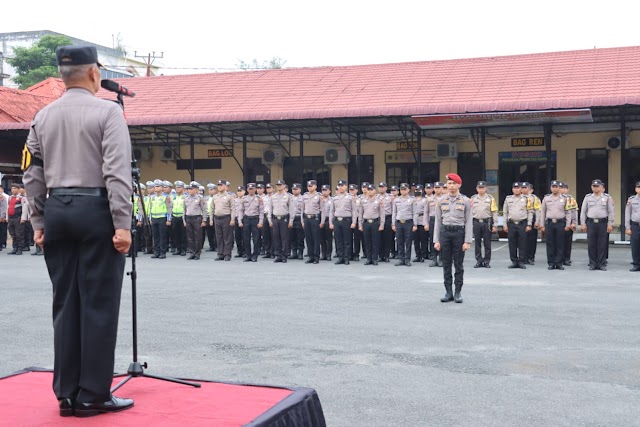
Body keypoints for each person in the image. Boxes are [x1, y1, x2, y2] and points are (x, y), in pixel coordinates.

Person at [23, 45, 134, 417]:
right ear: (93, 74)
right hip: (95, 210)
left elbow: (32, 175)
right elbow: (117, 173)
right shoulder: (108, 112)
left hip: (58, 210)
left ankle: (66, 393)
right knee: (98, 304)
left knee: (65, 303)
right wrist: (122, 223)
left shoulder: (42, 116)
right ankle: (93, 394)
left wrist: (39, 222)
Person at [433, 174, 472, 303]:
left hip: (458, 234)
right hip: (445, 233)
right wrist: (436, 240)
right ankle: (448, 292)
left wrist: (467, 241)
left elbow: (468, 221)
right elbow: (438, 221)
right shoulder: (441, 200)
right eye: (449, 183)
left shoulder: (465, 201)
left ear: (459, 185)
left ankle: (458, 292)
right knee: (446, 264)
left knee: (458, 264)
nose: (451, 186)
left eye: (454, 183)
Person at [580, 179, 614, 270]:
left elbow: (610, 211)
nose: (595, 188)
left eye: (597, 186)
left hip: (602, 222)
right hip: (591, 222)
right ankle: (593, 263)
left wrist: (610, 223)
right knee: (591, 243)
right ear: (591, 187)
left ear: (601, 187)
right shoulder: (588, 197)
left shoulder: (607, 197)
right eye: (593, 186)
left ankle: (601, 263)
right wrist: (582, 223)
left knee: (602, 244)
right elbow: (583, 211)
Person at [538, 181, 571, 270]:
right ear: (550, 188)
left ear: (559, 188)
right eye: (553, 186)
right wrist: (542, 224)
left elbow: (568, 212)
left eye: (556, 187)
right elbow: (543, 212)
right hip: (549, 223)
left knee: (560, 243)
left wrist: (568, 224)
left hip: (560, 223)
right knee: (550, 243)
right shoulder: (546, 198)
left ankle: (559, 262)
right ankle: (551, 263)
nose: (555, 188)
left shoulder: (564, 199)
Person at [503, 182, 533, 269]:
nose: (516, 189)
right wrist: (504, 225)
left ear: (521, 189)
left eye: (518, 188)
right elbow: (505, 212)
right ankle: (514, 261)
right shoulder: (508, 199)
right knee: (512, 243)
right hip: (511, 223)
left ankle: (521, 261)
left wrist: (529, 224)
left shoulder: (526, 199)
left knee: (522, 243)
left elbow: (530, 212)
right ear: (512, 189)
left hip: (522, 223)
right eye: (514, 188)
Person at [470, 181, 498, 268]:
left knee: (487, 243)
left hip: (487, 222)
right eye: (479, 188)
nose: (481, 189)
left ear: (486, 188)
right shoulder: (473, 198)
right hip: (476, 222)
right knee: (477, 243)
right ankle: (478, 260)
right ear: (477, 189)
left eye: (483, 188)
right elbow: (469, 212)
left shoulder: (490, 199)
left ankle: (486, 261)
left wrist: (495, 225)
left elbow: (494, 212)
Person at [330, 180, 357, 265]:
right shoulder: (335, 198)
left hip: (346, 220)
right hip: (337, 220)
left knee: (347, 240)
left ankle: (346, 258)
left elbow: (354, 211)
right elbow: (331, 211)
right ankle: (340, 257)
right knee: (338, 240)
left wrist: (354, 222)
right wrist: (331, 222)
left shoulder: (350, 197)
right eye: (339, 186)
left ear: (346, 187)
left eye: (342, 185)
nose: (340, 187)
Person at [269, 179, 294, 263]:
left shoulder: (288, 196)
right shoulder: (273, 197)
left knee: (284, 238)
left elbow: (291, 210)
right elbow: (270, 209)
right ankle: (278, 255)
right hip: (275, 219)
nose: (279, 186)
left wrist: (291, 221)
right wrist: (270, 220)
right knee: (276, 237)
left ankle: (284, 255)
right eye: (277, 185)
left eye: (280, 185)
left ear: (284, 186)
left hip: (284, 219)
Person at [210, 179, 235, 261]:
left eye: (221, 185)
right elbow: (212, 209)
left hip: (226, 218)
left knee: (227, 237)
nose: (219, 187)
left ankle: (227, 254)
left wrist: (232, 219)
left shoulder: (229, 196)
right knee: (219, 237)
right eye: (218, 185)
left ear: (225, 186)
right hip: (217, 218)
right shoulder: (215, 196)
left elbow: (232, 209)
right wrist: (211, 219)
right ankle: (220, 254)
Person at [359, 183, 384, 265]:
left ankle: (375, 258)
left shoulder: (379, 201)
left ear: (375, 190)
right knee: (367, 241)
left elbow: (382, 214)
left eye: (371, 190)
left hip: (375, 223)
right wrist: (360, 224)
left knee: (375, 241)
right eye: (368, 190)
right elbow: (360, 213)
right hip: (366, 223)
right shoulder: (363, 201)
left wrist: (382, 224)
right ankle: (368, 258)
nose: (370, 191)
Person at [238, 183, 264, 262]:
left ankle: (255, 256)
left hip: (255, 219)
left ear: (255, 189)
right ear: (247, 190)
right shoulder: (244, 199)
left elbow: (261, 211)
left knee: (256, 239)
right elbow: (241, 211)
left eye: (252, 189)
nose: (251, 190)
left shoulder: (259, 199)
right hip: (246, 219)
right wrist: (240, 221)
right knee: (246, 239)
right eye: (249, 189)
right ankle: (248, 255)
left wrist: (260, 222)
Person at [300, 180, 324, 264]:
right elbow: (302, 209)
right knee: (308, 238)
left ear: (315, 186)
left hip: (315, 218)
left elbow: (323, 210)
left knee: (316, 238)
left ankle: (316, 256)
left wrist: (322, 222)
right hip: (307, 218)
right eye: (308, 186)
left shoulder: (319, 196)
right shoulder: (305, 196)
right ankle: (310, 256)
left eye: (311, 186)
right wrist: (302, 221)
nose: (310, 187)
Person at [392, 183, 415, 266]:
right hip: (399, 222)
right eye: (401, 189)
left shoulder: (412, 200)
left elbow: (414, 212)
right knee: (399, 241)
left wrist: (414, 224)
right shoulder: (396, 200)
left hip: (408, 222)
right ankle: (401, 259)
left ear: (408, 190)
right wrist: (393, 224)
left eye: (405, 189)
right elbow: (394, 212)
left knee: (408, 242)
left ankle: (407, 259)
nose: (403, 191)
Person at [149, 179, 172, 259]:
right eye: (155, 186)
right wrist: (150, 219)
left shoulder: (166, 197)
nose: (156, 188)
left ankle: (162, 252)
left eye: (158, 186)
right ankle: (156, 252)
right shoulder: (152, 197)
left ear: (162, 187)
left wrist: (169, 219)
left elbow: (169, 208)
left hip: (162, 218)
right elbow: (150, 208)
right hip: (154, 218)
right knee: (155, 236)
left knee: (162, 236)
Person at [184, 181, 207, 260]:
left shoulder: (200, 198)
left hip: (197, 218)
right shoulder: (186, 198)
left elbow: (204, 210)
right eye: (189, 189)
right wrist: (184, 220)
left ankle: (197, 253)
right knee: (190, 237)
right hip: (188, 218)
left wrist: (204, 220)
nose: (189, 190)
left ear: (196, 189)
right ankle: (192, 252)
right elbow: (184, 210)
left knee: (197, 236)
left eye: (191, 189)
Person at [522, 183, 541, 265]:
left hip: (532, 220)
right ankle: (522, 257)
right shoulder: (517, 197)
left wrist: (537, 221)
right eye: (522, 187)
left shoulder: (534, 198)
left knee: (531, 240)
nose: (524, 189)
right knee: (522, 239)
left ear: (531, 190)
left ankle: (530, 257)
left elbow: (538, 210)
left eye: (526, 187)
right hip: (522, 219)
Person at [560, 183, 578, 266]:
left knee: (567, 242)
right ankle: (558, 258)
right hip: (559, 222)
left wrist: (574, 222)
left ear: (567, 190)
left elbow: (574, 211)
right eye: (560, 188)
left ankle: (566, 258)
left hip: (569, 223)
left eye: (563, 188)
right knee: (558, 241)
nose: (562, 190)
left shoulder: (571, 199)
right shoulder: (553, 198)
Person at [376, 182, 393, 262]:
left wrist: (393, 222)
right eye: (380, 187)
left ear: (386, 188)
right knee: (379, 238)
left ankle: (386, 256)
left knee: (387, 238)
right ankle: (380, 255)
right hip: (378, 219)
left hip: (387, 218)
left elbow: (393, 210)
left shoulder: (390, 197)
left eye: (382, 187)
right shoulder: (376, 197)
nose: (381, 188)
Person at [6, 183, 25, 255]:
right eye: (12, 188)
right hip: (11, 218)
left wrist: (23, 218)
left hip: (18, 217)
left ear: (18, 189)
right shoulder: (10, 198)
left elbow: (24, 209)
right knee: (12, 234)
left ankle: (20, 249)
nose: (13, 190)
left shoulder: (22, 198)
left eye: (15, 188)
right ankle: (15, 248)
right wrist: (7, 217)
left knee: (19, 234)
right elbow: (8, 208)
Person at [625, 181, 640, 272]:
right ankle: (636, 264)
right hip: (635, 225)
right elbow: (627, 214)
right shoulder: (632, 200)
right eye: (638, 187)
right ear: (635, 189)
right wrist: (627, 227)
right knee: (635, 246)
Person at [412, 185, 428, 262]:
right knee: (416, 240)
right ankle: (417, 255)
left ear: (422, 191)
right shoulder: (412, 200)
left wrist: (425, 223)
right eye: (416, 190)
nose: (417, 191)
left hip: (422, 221)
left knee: (423, 240)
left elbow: (426, 212)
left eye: (419, 190)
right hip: (414, 221)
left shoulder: (425, 200)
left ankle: (422, 255)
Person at [171, 181, 187, 256]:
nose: (177, 189)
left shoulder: (186, 196)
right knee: (175, 233)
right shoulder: (173, 196)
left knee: (183, 234)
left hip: (182, 216)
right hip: (175, 216)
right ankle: (178, 249)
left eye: (179, 187)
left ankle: (183, 249)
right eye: (176, 187)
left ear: (183, 188)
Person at [289, 183, 305, 259]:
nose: (294, 191)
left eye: (296, 189)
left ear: (300, 190)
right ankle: (294, 252)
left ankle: (300, 253)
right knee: (292, 236)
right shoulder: (289, 198)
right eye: (293, 189)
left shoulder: (303, 198)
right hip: (291, 218)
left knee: (300, 237)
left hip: (299, 218)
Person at [320, 184, 333, 260]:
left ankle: (328, 255)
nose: (324, 192)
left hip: (328, 220)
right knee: (321, 239)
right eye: (323, 190)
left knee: (329, 239)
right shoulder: (319, 199)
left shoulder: (332, 200)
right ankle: (323, 254)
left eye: (326, 190)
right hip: (320, 220)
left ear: (329, 191)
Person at [234, 186, 246, 258]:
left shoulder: (246, 199)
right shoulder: (234, 200)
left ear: (244, 191)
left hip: (244, 219)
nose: (239, 192)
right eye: (238, 191)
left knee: (244, 236)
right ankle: (240, 252)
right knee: (237, 236)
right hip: (236, 218)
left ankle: (245, 252)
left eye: (240, 191)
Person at [0, 184, 7, 251]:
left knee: (2, 231)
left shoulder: (3, 197)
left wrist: (2, 216)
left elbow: (3, 208)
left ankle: (1, 244)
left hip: (1, 217)